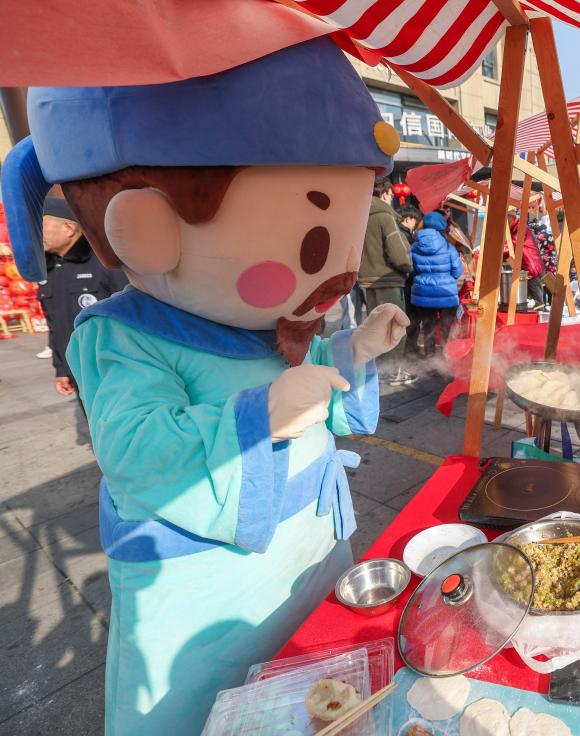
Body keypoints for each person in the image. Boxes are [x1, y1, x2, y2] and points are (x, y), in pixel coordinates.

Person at [1, 39, 409, 734]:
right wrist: (260, 417)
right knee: (213, 715)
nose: (334, 271)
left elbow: (319, 400)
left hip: (312, 552)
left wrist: (354, 350)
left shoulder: (273, 321)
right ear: (145, 225)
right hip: (212, 591)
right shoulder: (121, 334)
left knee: (321, 695)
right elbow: (137, 450)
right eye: (316, 243)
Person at [36, 196, 127, 404]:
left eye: (41, 226)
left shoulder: (105, 262)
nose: (35, 234)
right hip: (79, 372)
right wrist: (61, 368)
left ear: (68, 228)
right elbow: (55, 325)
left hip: (114, 369)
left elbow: (134, 314)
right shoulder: (48, 270)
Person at [360, 177, 416, 385]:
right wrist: (407, 267)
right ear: (384, 194)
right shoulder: (384, 216)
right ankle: (393, 372)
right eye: (391, 194)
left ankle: (381, 370)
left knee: (377, 327)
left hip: (368, 280)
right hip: (389, 279)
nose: (392, 198)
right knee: (395, 327)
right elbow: (397, 252)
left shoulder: (361, 215)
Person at [406, 210, 464, 368]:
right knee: (446, 327)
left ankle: (431, 357)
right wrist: (446, 278)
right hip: (446, 294)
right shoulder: (448, 246)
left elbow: (410, 269)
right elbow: (458, 271)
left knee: (428, 326)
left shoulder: (414, 245)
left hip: (423, 294)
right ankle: (448, 356)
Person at [508, 214, 545, 307]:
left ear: (510, 218)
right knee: (530, 301)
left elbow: (512, 245)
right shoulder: (516, 228)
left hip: (531, 268)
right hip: (529, 267)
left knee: (537, 303)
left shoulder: (519, 228)